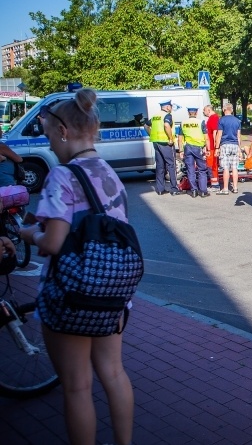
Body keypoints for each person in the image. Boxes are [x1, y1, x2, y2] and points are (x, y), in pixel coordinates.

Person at [19, 90, 134, 445]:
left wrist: (27, 233)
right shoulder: (110, 173)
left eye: (50, 134)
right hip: (111, 294)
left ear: (64, 131)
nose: (50, 143)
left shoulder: (61, 176)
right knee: (113, 373)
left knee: (77, 386)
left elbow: (53, 242)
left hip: (71, 294)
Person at [145, 99, 179, 195]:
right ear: (167, 107)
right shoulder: (167, 115)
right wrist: (171, 138)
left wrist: (151, 135)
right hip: (166, 143)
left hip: (156, 143)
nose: (171, 108)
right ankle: (174, 189)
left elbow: (146, 126)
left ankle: (160, 189)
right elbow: (166, 125)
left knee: (160, 166)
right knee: (171, 165)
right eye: (171, 107)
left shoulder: (155, 116)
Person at [179, 107, 211, 198]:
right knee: (202, 169)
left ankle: (194, 191)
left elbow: (180, 138)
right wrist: (208, 149)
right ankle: (203, 191)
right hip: (198, 148)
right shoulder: (201, 122)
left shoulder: (183, 123)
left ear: (188, 113)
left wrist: (181, 150)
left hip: (187, 148)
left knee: (190, 170)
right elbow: (206, 137)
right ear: (196, 113)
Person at [214, 103, 241, 194]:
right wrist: (239, 148)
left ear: (223, 109)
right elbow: (238, 136)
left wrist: (217, 148)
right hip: (235, 145)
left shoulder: (222, 120)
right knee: (234, 167)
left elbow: (219, 135)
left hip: (225, 145)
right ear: (232, 110)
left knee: (226, 168)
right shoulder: (237, 121)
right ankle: (235, 187)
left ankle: (225, 189)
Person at [203, 105, 220, 190]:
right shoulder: (213, 118)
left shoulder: (213, 118)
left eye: (204, 110)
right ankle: (214, 183)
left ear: (209, 110)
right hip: (211, 146)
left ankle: (215, 185)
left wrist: (215, 146)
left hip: (212, 147)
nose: (203, 112)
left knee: (212, 165)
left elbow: (215, 132)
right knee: (211, 165)